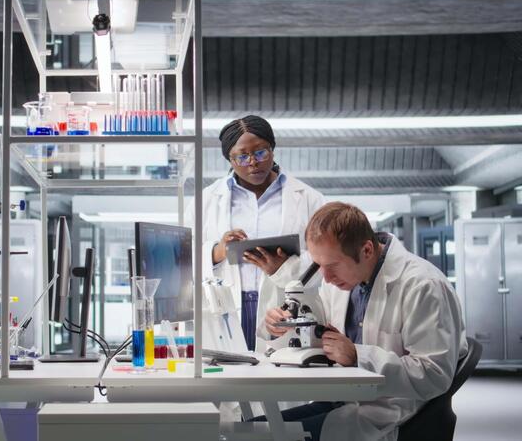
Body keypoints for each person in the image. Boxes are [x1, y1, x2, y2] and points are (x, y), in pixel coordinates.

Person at [261, 202, 467, 441]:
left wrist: (357, 356)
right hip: (343, 399)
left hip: (391, 412)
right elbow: (321, 335)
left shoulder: (423, 285)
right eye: (319, 266)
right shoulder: (341, 282)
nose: (326, 278)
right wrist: (281, 328)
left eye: (332, 266)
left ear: (367, 250)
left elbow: (434, 374)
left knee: (261, 436)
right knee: (253, 428)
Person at [189, 115, 324, 352]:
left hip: (283, 308)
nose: (253, 162)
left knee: (280, 369)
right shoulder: (206, 200)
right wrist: (217, 252)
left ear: (272, 149)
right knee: (228, 370)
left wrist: (284, 268)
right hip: (226, 307)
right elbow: (183, 259)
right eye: (242, 157)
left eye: (261, 153)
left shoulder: (309, 199)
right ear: (230, 159)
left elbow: (326, 259)